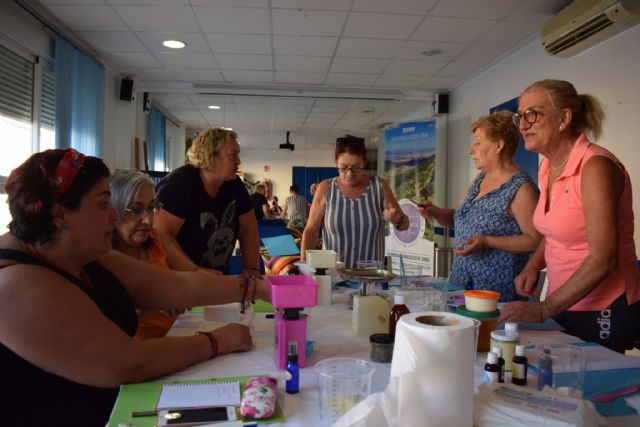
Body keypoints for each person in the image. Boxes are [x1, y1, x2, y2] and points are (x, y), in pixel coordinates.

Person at [0, 148, 269, 427]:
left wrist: (261, 289)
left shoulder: (80, 252)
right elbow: (125, 363)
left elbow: (177, 287)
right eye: (103, 204)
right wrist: (216, 342)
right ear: (60, 216)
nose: (113, 217)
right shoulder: (15, 283)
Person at [499, 79, 640, 352]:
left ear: (564, 118)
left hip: (601, 304)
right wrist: (532, 267)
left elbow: (604, 258)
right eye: (520, 116)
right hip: (562, 299)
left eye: (533, 114)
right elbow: (554, 232)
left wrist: (544, 309)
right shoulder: (548, 166)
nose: (523, 124)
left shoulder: (596, 166)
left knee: (588, 390)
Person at [417, 111, 541, 302]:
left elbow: (536, 241)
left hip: (494, 296)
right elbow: (459, 219)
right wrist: (435, 211)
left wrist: (488, 242)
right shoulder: (481, 178)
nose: (471, 150)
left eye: (477, 143)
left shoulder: (521, 188)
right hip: (461, 287)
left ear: (499, 145)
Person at [110, 169, 226, 340]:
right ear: (113, 210)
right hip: (138, 349)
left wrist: (228, 284)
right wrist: (155, 301)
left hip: (175, 333)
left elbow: (192, 273)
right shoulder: (102, 257)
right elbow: (107, 323)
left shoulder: (155, 238)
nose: (148, 220)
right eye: (136, 210)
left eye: (151, 208)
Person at [155, 128, 261, 276]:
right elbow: (160, 233)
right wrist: (195, 271)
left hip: (212, 277)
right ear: (211, 157)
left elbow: (248, 228)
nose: (239, 161)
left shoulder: (234, 184)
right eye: (233, 155)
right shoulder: (182, 183)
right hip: (176, 278)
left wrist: (252, 269)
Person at [301, 135, 409, 269]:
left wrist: (398, 219)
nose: (349, 173)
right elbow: (311, 231)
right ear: (336, 163)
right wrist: (303, 268)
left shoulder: (379, 186)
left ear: (364, 163)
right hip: (334, 278)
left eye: (356, 167)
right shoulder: (326, 188)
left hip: (371, 278)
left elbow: (404, 225)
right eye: (343, 167)